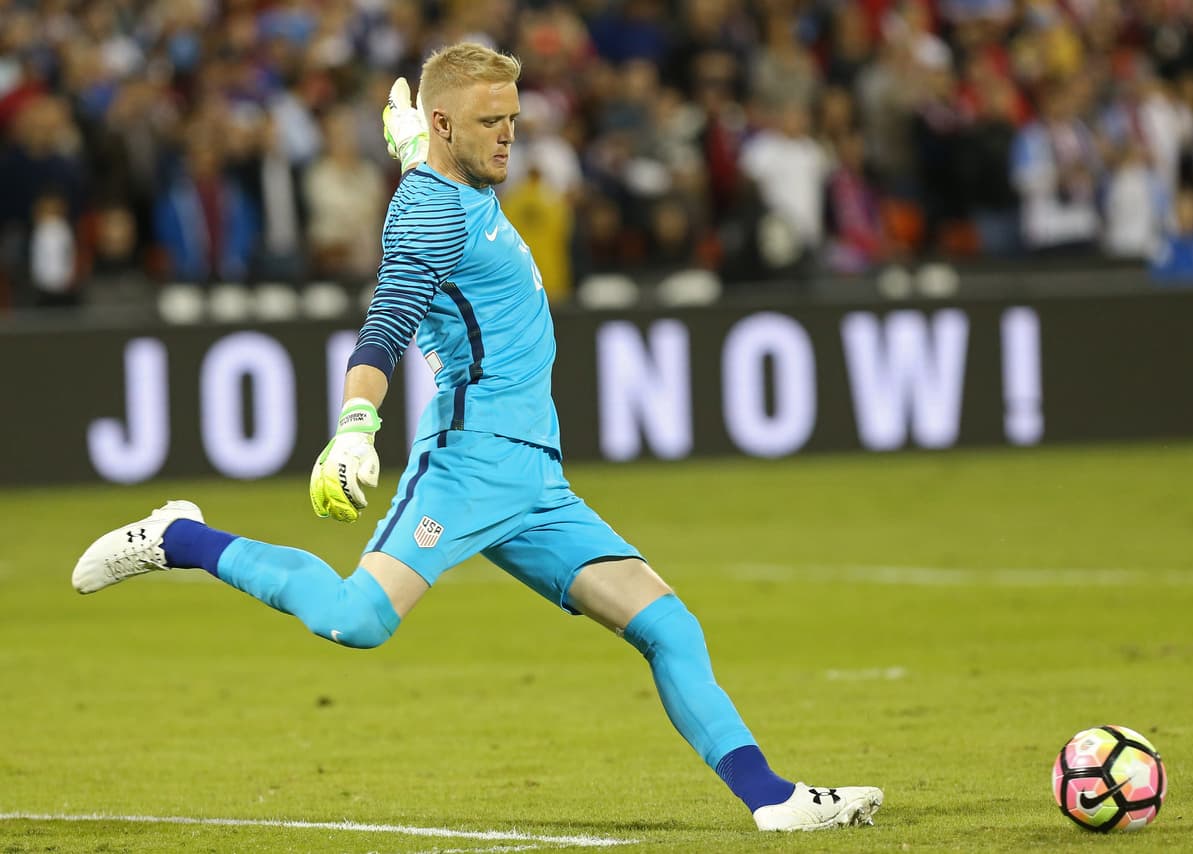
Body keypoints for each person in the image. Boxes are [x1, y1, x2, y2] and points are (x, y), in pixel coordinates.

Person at [71, 43, 882, 834]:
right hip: (470, 459)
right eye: (490, 121)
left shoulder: (450, 169)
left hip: (536, 481)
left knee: (669, 626)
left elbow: (430, 167)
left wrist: (407, 142)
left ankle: (771, 799)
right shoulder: (426, 209)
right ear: (445, 124)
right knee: (358, 619)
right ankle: (180, 537)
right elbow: (386, 322)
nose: (507, 136)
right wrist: (357, 425)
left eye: (514, 119)